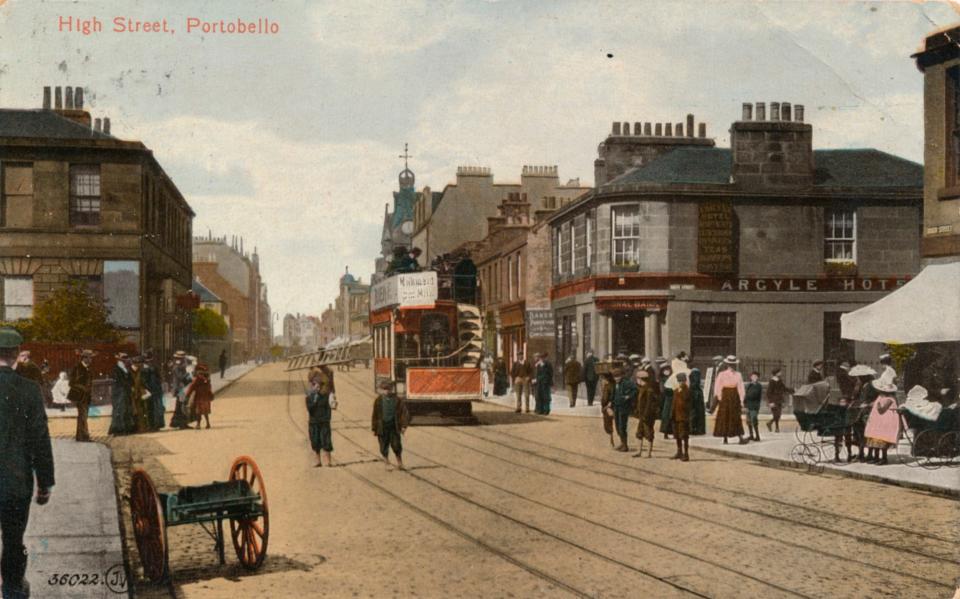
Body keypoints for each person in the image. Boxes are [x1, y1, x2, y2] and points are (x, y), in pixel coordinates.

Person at [0, 328, 55, 599]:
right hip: (15, 482)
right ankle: (12, 589)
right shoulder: (29, 391)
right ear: (16, 357)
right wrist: (44, 483)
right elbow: (40, 440)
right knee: (13, 541)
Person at [371, 380, 409, 470]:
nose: (386, 391)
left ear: (392, 389)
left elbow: (404, 413)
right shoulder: (378, 400)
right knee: (383, 445)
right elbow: (374, 415)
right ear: (381, 390)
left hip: (393, 426)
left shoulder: (397, 400)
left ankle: (400, 462)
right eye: (384, 389)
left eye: (388, 389)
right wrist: (374, 428)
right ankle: (386, 462)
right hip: (382, 426)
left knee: (396, 445)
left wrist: (404, 426)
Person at [863, 376, 900, 465]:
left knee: (882, 440)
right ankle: (876, 457)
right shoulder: (881, 397)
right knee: (875, 438)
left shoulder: (890, 399)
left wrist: (878, 405)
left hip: (885, 421)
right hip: (878, 421)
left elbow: (882, 410)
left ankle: (884, 458)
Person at [713, 355, 748, 445]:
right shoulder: (722, 374)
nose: (731, 366)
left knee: (736, 416)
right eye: (730, 364)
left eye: (733, 365)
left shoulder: (738, 375)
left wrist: (741, 399)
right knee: (725, 416)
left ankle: (740, 437)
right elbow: (718, 386)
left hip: (734, 396)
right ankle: (725, 438)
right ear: (727, 365)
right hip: (725, 395)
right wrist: (720, 397)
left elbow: (740, 387)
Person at [848, 364, 877, 461]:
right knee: (858, 432)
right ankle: (861, 453)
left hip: (868, 411)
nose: (857, 378)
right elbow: (856, 396)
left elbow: (874, 399)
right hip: (860, 410)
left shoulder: (872, 385)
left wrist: (867, 404)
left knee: (867, 432)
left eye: (859, 377)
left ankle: (869, 454)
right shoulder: (860, 385)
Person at [306, 379, 335, 467]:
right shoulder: (309, 398)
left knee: (326, 441)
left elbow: (328, 409)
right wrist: (314, 400)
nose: (317, 388)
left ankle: (328, 462)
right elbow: (310, 409)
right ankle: (318, 461)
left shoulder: (325, 397)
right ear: (312, 387)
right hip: (314, 423)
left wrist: (327, 419)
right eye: (315, 387)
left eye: (319, 387)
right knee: (315, 442)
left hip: (324, 422)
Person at [68, 350, 95, 442]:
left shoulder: (88, 368)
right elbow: (71, 383)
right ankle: (85, 436)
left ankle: (80, 436)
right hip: (79, 396)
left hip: (86, 396)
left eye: (91, 357)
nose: (91, 360)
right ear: (84, 358)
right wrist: (83, 388)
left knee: (83, 415)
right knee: (83, 415)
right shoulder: (77, 368)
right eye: (89, 357)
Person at [610, 367, 637, 452]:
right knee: (618, 426)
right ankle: (622, 443)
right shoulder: (615, 384)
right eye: (614, 377)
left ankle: (625, 445)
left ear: (621, 376)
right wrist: (611, 402)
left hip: (623, 407)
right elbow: (614, 394)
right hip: (616, 407)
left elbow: (635, 389)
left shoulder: (626, 383)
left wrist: (628, 396)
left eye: (618, 376)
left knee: (622, 426)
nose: (616, 378)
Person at [633, 370, 659, 457]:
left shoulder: (649, 390)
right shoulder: (643, 388)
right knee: (639, 432)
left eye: (637, 379)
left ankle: (648, 453)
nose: (637, 381)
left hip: (647, 416)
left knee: (649, 433)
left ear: (640, 379)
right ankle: (639, 451)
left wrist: (645, 415)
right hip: (642, 415)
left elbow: (649, 404)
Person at [108, 353, 134, 436]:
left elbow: (130, 379)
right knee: (119, 410)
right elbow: (120, 381)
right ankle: (118, 429)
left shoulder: (126, 368)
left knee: (125, 409)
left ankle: (125, 428)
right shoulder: (116, 369)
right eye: (125, 359)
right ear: (121, 360)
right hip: (119, 392)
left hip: (125, 392)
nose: (126, 360)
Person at [141, 351, 166, 431]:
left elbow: (159, 377)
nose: (149, 362)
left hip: (156, 389)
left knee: (157, 408)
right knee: (150, 408)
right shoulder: (144, 369)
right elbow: (144, 381)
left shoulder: (153, 367)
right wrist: (147, 388)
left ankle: (156, 425)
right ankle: (151, 425)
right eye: (147, 361)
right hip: (150, 389)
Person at [168, 351, 193, 429]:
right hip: (180, 389)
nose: (184, 360)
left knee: (180, 405)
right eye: (182, 358)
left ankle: (178, 423)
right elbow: (181, 377)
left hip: (181, 388)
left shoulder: (180, 366)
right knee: (181, 406)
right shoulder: (177, 366)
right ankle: (182, 424)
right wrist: (189, 375)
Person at [186, 363, 214, 430]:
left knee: (198, 411)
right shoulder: (207, 379)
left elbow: (191, 387)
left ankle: (198, 424)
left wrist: (187, 394)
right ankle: (208, 423)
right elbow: (209, 387)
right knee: (205, 411)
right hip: (206, 398)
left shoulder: (197, 379)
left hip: (199, 397)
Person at [671, 372, 691, 461]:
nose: (680, 383)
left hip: (683, 416)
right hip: (676, 416)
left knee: (684, 435)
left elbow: (688, 403)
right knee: (677, 435)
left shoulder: (687, 391)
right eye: (679, 381)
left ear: (685, 381)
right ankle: (679, 451)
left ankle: (686, 453)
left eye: (682, 381)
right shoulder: (676, 390)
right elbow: (674, 403)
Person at [129, 356, 150, 433]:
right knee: (134, 410)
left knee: (141, 410)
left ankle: (141, 427)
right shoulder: (130, 371)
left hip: (139, 393)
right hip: (132, 393)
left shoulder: (140, 371)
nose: (140, 365)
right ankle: (135, 428)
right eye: (139, 364)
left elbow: (142, 382)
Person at [599, 370, 617, 446]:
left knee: (608, 423)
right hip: (609, 406)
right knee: (610, 423)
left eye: (603, 379)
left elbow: (605, 398)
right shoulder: (612, 385)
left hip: (607, 407)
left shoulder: (608, 386)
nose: (602, 381)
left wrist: (606, 405)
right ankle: (611, 439)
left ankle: (611, 440)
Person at [744, 371, 763, 441]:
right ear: (750, 377)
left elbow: (755, 395)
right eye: (752, 376)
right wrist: (745, 404)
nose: (754, 378)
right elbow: (745, 395)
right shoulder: (749, 385)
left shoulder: (758, 386)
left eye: (755, 377)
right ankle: (751, 435)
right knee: (748, 421)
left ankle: (757, 436)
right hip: (748, 405)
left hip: (754, 406)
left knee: (754, 420)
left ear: (758, 378)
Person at [689, 368, 707, 436]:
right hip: (697, 395)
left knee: (693, 412)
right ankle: (699, 429)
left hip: (693, 394)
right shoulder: (699, 388)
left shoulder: (691, 386)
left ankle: (693, 428)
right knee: (698, 413)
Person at [659, 364, 674, 440]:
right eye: (665, 370)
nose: (667, 371)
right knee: (666, 416)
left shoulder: (672, 378)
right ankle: (666, 433)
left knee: (673, 416)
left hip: (672, 399)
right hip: (666, 399)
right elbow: (662, 390)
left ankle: (674, 433)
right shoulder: (662, 379)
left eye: (668, 370)